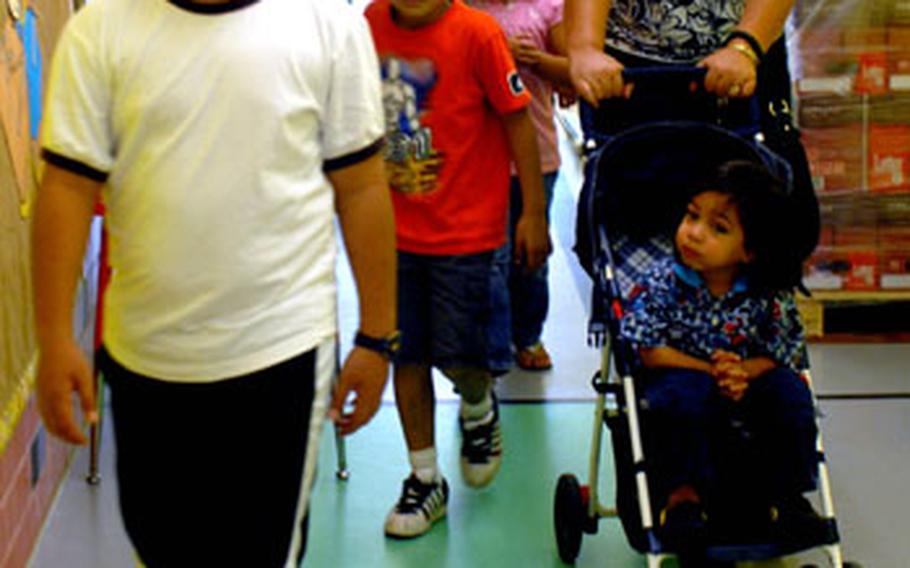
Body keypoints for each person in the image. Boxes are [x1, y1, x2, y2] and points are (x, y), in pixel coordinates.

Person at [32, 0, 395, 565]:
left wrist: (377, 338)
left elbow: (363, 187)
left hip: (282, 353)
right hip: (146, 357)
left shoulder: (326, 25)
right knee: (160, 547)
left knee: (261, 553)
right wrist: (54, 337)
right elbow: (67, 188)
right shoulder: (99, 32)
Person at [365, 0, 551, 539]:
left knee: (462, 356)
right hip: (394, 230)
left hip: (467, 234)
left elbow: (518, 122)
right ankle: (424, 478)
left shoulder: (479, 35)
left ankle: (477, 406)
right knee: (408, 353)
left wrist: (534, 212)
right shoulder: (371, 24)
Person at [619, 160, 828, 554]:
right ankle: (682, 500)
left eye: (717, 227)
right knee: (679, 398)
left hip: (746, 378)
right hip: (681, 373)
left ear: (749, 250)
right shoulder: (665, 281)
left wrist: (745, 372)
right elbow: (649, 350)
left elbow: (784, 349)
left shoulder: (767, 293)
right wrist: (712, 371)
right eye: (691, 216)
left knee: (791, 395)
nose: (693, 234)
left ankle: (788, 498)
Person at [564, 0, 820, 277]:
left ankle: (758, 308)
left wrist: (745, 46)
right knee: (628, 221)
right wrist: (585, 47)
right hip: (630, 73)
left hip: (743, 64)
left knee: (761, 219)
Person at [469, 0, 572, 371]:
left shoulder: (547, 8)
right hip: (477, 160)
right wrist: (490, 56)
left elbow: (574, 71)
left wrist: (536, 61)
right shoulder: (460, 12)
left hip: (538, 156)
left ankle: (527, 334)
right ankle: (490, 346)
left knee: (530, 260)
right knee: (486, 261)